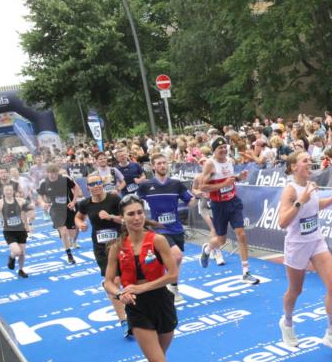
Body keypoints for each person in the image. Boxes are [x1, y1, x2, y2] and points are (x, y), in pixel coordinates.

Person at [102, 194, 183, 362]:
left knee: (159, 358)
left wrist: (141, 288)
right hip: (136, 308)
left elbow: (173, 275)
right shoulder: (117, 248)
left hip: (162, 302)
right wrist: (120, 294)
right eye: (131, 214)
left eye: (139, 213)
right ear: (122, 218)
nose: (136, 218)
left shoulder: (157, 240)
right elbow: (107, 281)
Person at [276, 151, 332, 355]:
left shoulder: (311, 186)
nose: (310, 163)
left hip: (316, 240)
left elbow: (315, 205)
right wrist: (300, 201)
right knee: (295, 290)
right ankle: (287, 323)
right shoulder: (290, 190)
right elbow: (282, 222)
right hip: (297, 244)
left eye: (310, 160)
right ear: (293, 167)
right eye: (305, 160)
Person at [197, 137, 259, 283]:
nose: (224, 150)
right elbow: (202, 187)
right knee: (221, 239)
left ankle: (246, 272)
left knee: (241, 234)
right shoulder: (210, 164)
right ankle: (207, 249)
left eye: (225, 147)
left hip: (233, 202)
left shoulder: (229, 161)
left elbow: (230, 180)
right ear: (214, 150)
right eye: (220, 148)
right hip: (218, 205)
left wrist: (238, 178)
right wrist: (223, 184)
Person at [75, 173, 129, 335]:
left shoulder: (114, 199)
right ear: (88, 187)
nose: (96, 186)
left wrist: (111, 217)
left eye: (98, 182)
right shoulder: (85, 204)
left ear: (103, 183)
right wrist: (80, 224)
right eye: (92, 184)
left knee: (124, 279)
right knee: (114, 281)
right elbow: (78, 217)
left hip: (120, 245)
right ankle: (124, 320)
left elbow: (127, 218)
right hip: (101, 248)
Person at [138, 154, 194, 295]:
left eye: (164, 163)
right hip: (158, 229)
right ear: (153, 166)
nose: (163, 166)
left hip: (176, 228)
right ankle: (171, 287)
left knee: (173, 260)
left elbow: (190, 202)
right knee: (177, 256)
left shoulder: (176, 184)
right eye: (159, 163)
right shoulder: (146, 185)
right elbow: (135, 203)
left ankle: (170, 286)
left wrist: (199, 197)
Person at [0, 183, 32, 277]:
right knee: (16, 251)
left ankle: (21, 270)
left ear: (13, 192)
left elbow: (31, 207)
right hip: (9, 231)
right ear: (3, 192)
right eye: (6, 190)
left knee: (22, 253)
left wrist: (32, 214)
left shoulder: (20, 201)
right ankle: (11, 258)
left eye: (10, 190)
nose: (8, 192)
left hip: (20, 230)